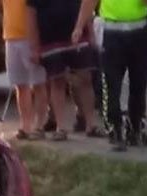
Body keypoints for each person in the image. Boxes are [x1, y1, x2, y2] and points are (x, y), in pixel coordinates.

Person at [75, 0, 147, 151]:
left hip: (140, 31)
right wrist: (79, 26)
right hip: (112, 33)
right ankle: (115, 130)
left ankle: (136, 128)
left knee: (139, 84)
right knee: (111, 84)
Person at [28, 0, 106, 140]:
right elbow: (31, 14)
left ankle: (91, 125)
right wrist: (34, 46)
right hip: (49, 39)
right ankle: (61, 127)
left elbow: (86, 4)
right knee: (57, 82)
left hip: (78, 35)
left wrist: (91, 33)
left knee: (85, 79)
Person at [3, 0, 49, 140]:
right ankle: (25, 125)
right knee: (20, 84)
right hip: (11, 35)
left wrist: (38, 40)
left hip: (31, 36)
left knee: (38, 83)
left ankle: (40, 125)